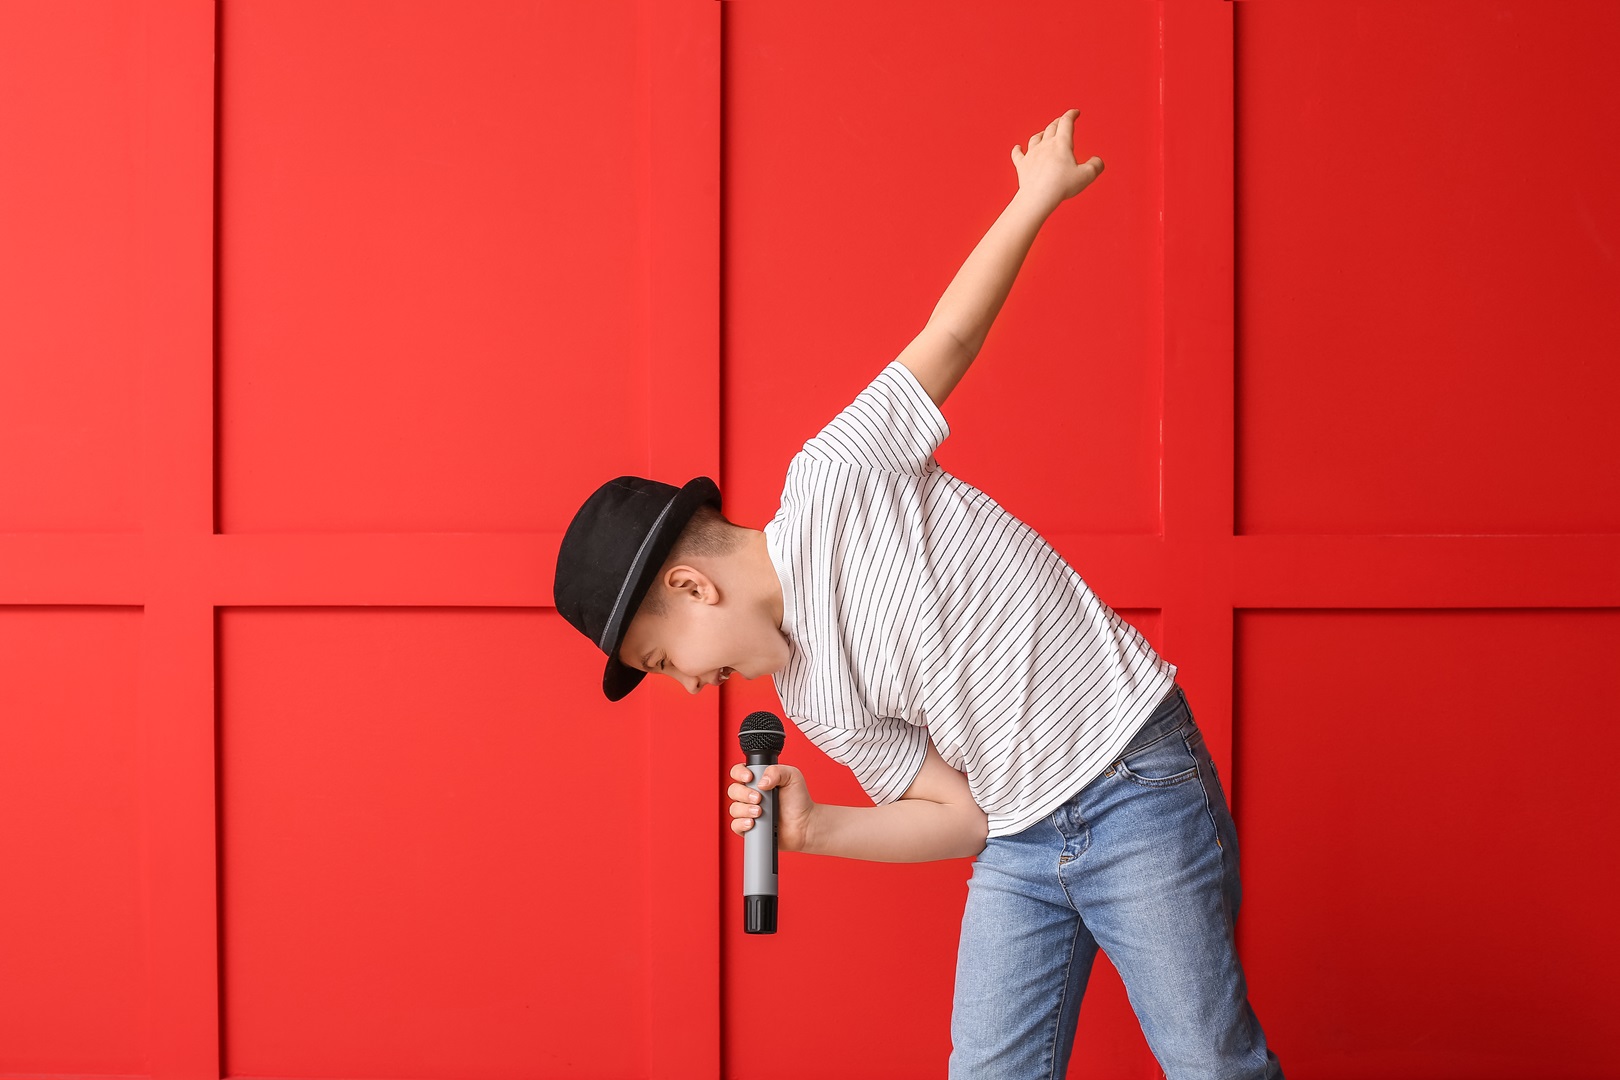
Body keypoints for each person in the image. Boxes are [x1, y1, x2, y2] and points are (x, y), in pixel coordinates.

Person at [554, 109, 1283, 1079]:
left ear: (691, 586)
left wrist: (1034, 197)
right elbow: (965, 817)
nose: (688, 687)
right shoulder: (811, 697)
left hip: (1132, 781)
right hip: (1019, 842)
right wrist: (814, 830)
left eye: (662, 660)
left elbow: (949, 337)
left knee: (1209, 1062)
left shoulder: (835, 477)